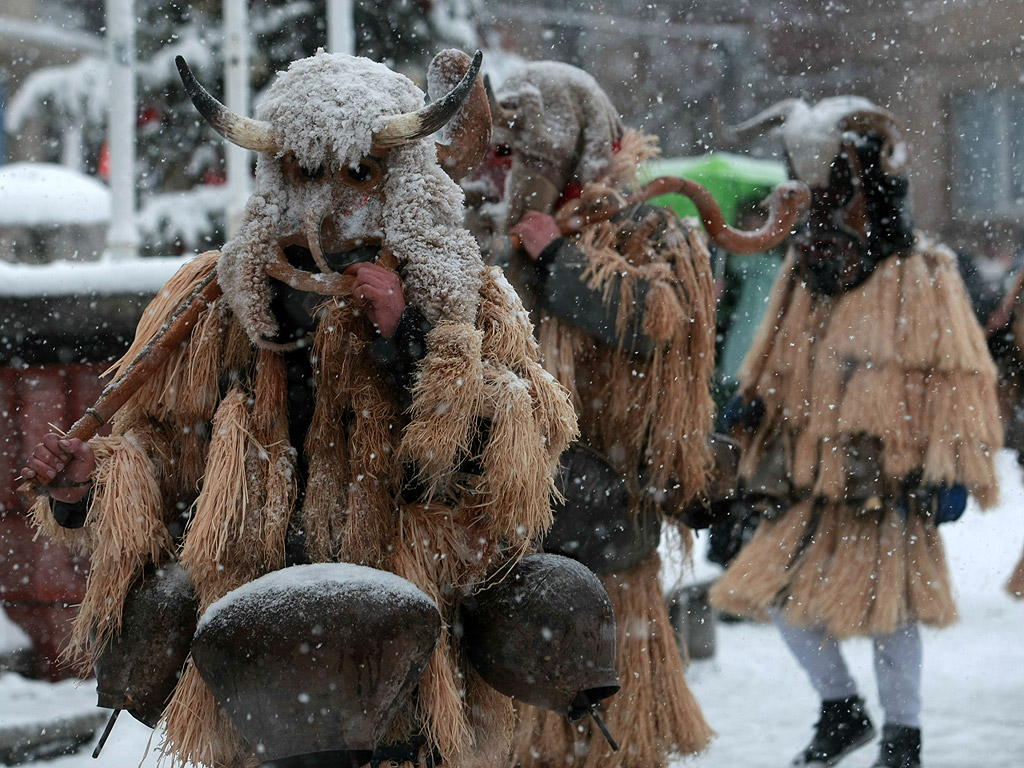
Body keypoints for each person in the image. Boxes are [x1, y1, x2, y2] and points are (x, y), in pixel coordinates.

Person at [20, 49, 579, 768]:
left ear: (397, 180)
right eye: (303, 173)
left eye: (356, 174)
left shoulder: (469, 302)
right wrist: (88, 484)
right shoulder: (213, 304)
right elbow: (160, 458)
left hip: (401, 650)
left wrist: (408, 339)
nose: (329, 202)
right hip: (257, 651)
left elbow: (498, 479)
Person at [709, 97, 1002, 768]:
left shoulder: (923, 276)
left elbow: (958, 378)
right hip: (808, 475)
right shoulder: (804, 276)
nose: (818, 213)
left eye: (832, 191)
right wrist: (753, 411)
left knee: (889, 612)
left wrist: (951, 467)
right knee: (777, 597)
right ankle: (841, 709)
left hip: (889, 474)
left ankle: (903, 736)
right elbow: (779, 360)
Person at [469, 60, 721, 768]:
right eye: (496, 157)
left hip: (607, 505)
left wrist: (558, 258)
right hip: (518, 512)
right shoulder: (490, 232)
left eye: (512, 157)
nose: (497, 173)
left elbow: (658, 321)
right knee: (519, 726)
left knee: (610, 723)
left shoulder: (650, 227)